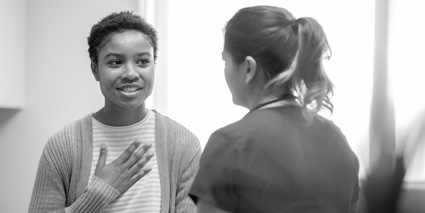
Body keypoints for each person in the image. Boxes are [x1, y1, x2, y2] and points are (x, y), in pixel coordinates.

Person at [189, 5, 360, 213]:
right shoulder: (336, 139)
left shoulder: (230, 144)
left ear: (249, 68)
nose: (225, 70)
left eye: (226, 60)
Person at [28, 11, 201, 213]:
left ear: (154, 65)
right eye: (115, 62)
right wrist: (96, 196)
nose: (130, 73)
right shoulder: (63, 147)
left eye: (143, 61)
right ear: (95, 69)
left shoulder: (183, 145)